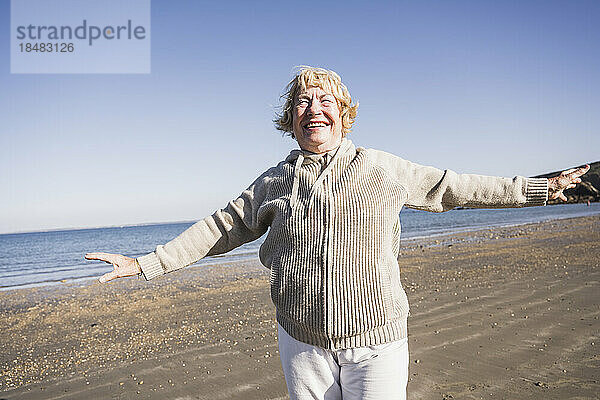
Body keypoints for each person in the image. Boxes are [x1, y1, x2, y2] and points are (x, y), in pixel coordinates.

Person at [85, 66, 589, 400]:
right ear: (291, 119)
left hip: (378, 341)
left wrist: (541, 189)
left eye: (325, 100)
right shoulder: (275, 180)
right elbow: (223, 226)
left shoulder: (380, 167)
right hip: (302, 341)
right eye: (303, 102)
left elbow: (453, 186)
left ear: (343, 115)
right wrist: (145, 264)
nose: (314, 108)